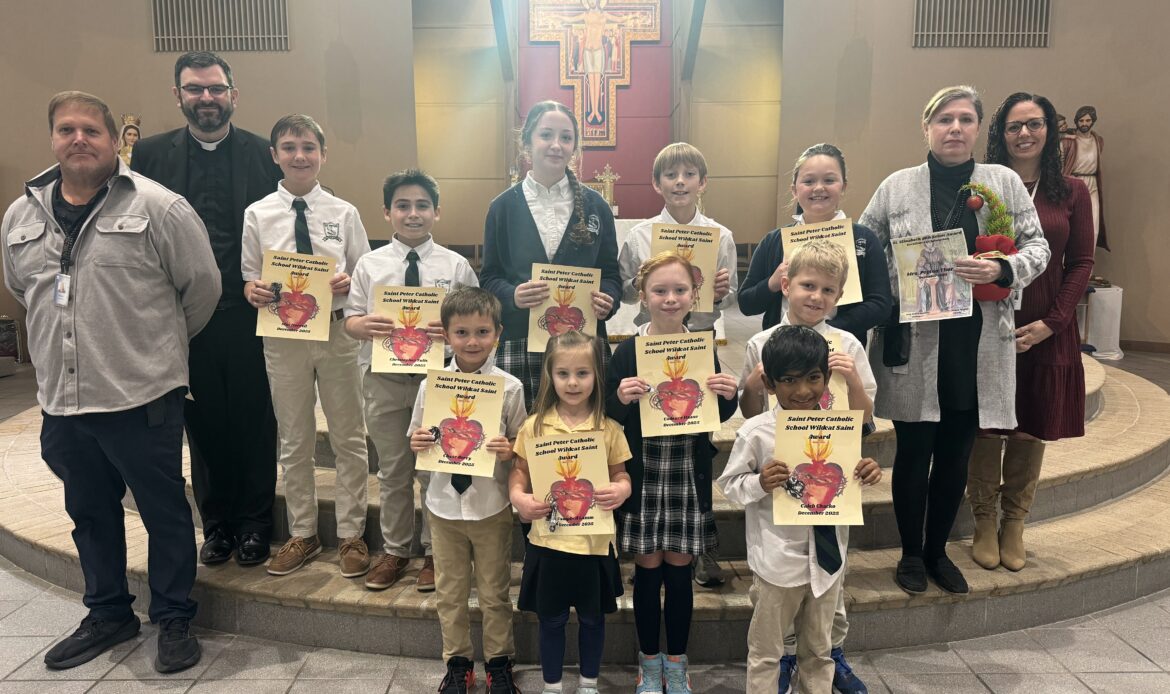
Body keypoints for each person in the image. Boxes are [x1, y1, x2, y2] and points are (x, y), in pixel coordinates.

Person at [2, 91, 220, 672]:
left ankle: (173, 616)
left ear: (112, 140)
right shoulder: (21, 217)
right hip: (63, 402)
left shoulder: (160, 208)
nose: (79, 140)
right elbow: (25, 292)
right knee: (90, 512)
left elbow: (201, 291)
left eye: (91, 131)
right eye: (66, 130)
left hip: (140, 394)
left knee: (164, 512)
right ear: (52, 138)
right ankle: (108, 613)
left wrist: (155, 352)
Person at [858, 85, 1050, 596]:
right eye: (944, 119)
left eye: (966, 119)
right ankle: (911, 554)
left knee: (955, 457)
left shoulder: (1002, 182)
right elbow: (863, 243)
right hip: (915, 339)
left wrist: (1002, 267)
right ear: (927, 127)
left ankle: (940, 550)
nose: (955, 128)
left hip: (976, 340)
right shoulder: (897, 187)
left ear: (977, 128)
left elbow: (1038, 247)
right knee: (914, 453)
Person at [131, 50, 282, 568]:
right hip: (184, 320)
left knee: (255, 422)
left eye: (216, 89)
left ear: (233, 95)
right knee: (202, 424)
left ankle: (258, 524)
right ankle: (217, 525)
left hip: (250, 316)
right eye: (195, 89)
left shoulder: (268, 155)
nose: (207, 98)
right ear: (179, 96)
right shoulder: (148, 157)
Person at [736, 241, 875, 694]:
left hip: (830, 489)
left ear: (839, 296)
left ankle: (829, 657)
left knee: (827, 597)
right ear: (785, 284)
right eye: (807, 285)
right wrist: (754, 385)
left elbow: (862, 421)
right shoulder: (762, 343)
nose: (816, 296)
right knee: (773, 604)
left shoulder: (848, 343)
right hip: (782, 503)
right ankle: (779, 663)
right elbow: (751, 414)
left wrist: (850, 376)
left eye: (827, 290)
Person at [241, 114, 371, 577]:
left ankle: (352, 533)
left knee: (349, 438)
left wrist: (348, 280)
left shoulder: (344, 213)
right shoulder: (257, 214)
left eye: (309, 147)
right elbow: (250, 278)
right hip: (283, 337)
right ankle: (303, 533)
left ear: (322, 154)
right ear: (274, 154)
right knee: (294, 439)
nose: (300, 156)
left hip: (336, 332)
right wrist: (252, 291)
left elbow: (365, 275)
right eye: (290, 147)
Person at [969, 92, 1094, 571]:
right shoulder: (982, 186)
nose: (1024, 134)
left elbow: (1081, 262)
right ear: (1000, 134)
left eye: (1034, 124)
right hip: (988, 323)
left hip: (1046, 322)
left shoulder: (1071, 193)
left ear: (1050, 131)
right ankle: (983, 518)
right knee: (984, 425)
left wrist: (1053, 323)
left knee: (1028, 425)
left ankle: (1014, 521)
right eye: (1014, 126)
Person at [606, 251, 739, 693]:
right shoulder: (627, 351)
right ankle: (649, 661)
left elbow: (717, 414)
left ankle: (677, 662)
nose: (669, 298)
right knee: (648, 570)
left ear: (693, 295)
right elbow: (607, 416)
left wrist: (727, 393)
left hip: (686, 471)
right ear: (642, 296)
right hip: (645, 474)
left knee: (680, 572)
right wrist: (620, 398)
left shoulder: (702, 345)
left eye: (679, 290)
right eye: (659, 291)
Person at [345, 168, 478, 592]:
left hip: (437, 381)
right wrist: (365, 326)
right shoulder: (370, 264)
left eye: (422, 205)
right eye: (403, 206)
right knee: (393, 471)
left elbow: (477, 323)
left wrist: (453, 334)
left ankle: (434, 553)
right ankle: (395, 550)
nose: (413, 214)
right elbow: (349, 321)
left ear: (437, 212)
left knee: (434, 470)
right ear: (387, 212)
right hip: (384, 380)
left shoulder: (455, 265)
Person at [616, 141, 737, 588]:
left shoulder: (720, 236)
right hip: (651, 343)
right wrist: (641, 287)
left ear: (702, 182)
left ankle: (700, 548)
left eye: (689, 174)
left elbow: (733, 296)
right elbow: (628, 292)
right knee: (650, 438)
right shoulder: (640, 234)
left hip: (697, 339)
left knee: (695, 444)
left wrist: (721, 289)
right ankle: (646, 538)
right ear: (657, 183)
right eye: (671, 175)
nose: (680, 182)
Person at [408, 288, 527, 694]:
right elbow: (415, 436)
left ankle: (498, 662)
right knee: (450, 592)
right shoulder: (432, 384)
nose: (472, 341)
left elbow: (520, 448)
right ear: (445, 334)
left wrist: (509, 449)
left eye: (481, 331)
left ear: (498, 333)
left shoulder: (509, 388)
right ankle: (458, 663)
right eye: (461, 332)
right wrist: (420, 440)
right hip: (443, 506)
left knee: (495, 592)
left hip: (490, 506)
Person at [510, 331, 633, 694]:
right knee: (551, 620)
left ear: (597, 375)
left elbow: (620, 474)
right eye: (563, 373)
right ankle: (551, 685)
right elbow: (519, 471)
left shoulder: (609, 429)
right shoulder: (534, 425)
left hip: (593, 545)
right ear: (549, 375)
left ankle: (589, 683)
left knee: (594, 620)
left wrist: (621, 489)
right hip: (548, 543)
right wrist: (519, 498)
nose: (573, 382)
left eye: (583, 373)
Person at [481, 99, 622, 410]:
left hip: (582, 345)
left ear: (575, 146)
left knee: (583, 437)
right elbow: (489, 277)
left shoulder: (596, 206)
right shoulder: (502, 207)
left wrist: (608, 300)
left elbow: (611, 274)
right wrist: (513, 296)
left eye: (566, 137)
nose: (556, 145)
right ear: (528, 141)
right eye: (546, 135)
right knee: (525, 439)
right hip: (520, 339)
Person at [737, 144, 892, 347]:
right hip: (781, 348)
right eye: (809, 181)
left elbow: (880, 305)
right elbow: (747, 304)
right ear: (794, 189)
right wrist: (773, 282)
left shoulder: (863, 239)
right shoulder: (774, 241)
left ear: (843, 186)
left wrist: (828, 331)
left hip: (840, 348)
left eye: (829, 180)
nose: (819, 188)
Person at [1059, 105, 1109, 250]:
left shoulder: (1098, 140)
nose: (1085, 124)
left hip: (1092, 183)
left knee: (1093, 226)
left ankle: (1088, 269)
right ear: (1076, 121)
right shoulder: (1069, 140)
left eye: (1088, 120)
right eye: (1081, 120)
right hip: (1073, 182)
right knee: (1070, 226)